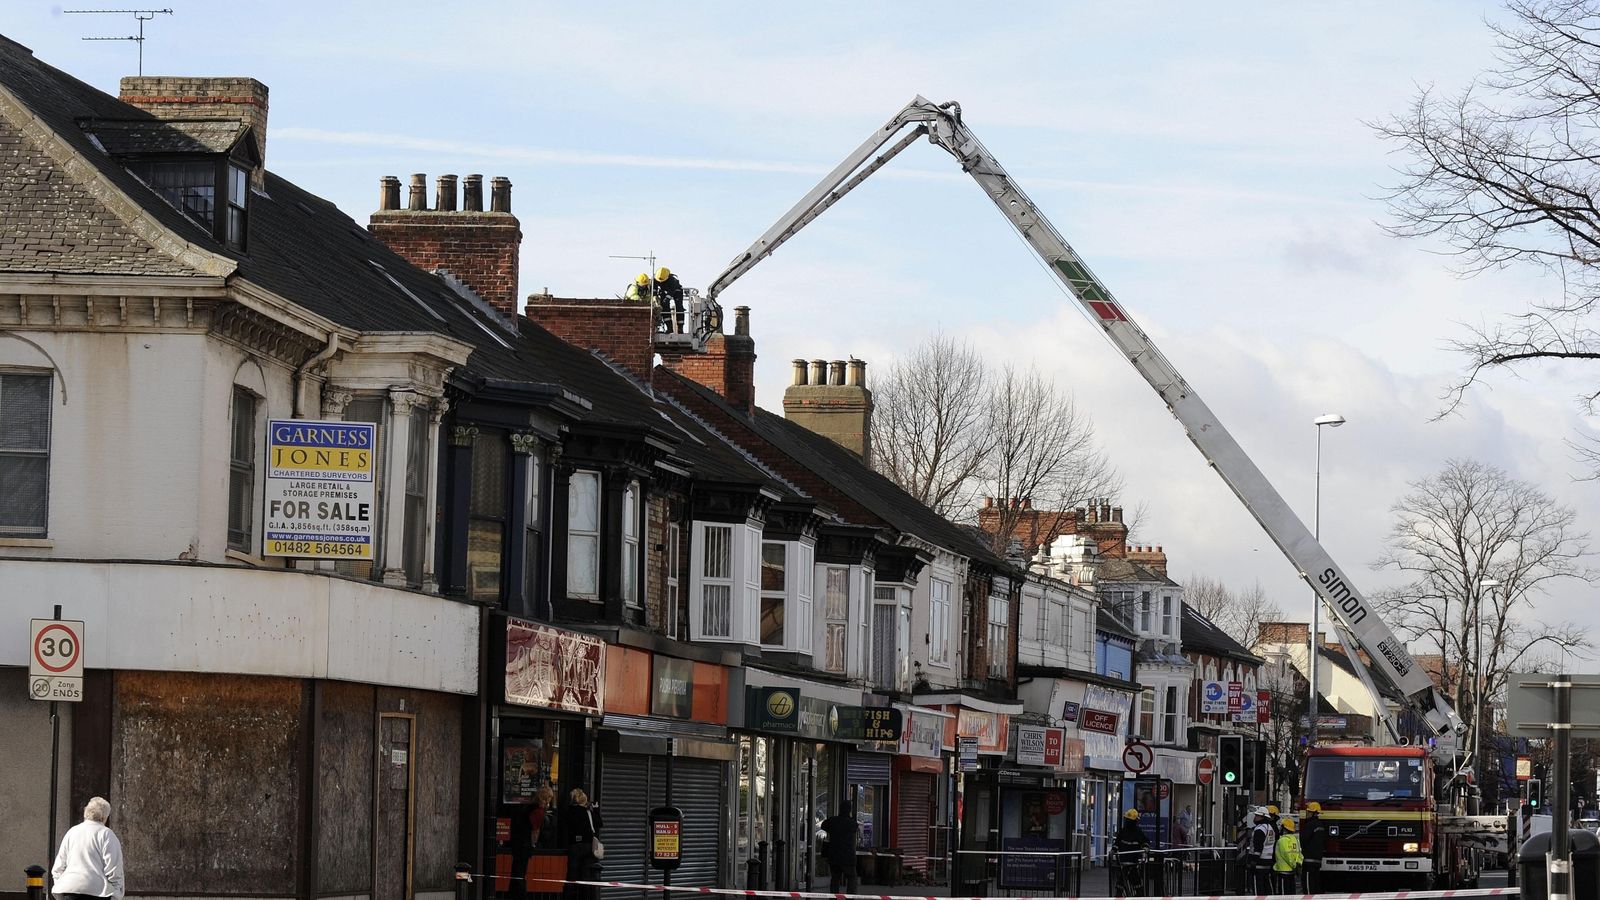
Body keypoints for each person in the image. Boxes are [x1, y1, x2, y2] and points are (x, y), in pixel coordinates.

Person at [52, 796, 124, 900]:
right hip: (97, 892)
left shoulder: (72, 832)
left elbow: (58, 867)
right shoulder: (106, 834)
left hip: (69, 891)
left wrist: (60, 886)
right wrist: (116, 894)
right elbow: (114, 869)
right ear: (104, 817)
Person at [560, 788, 603, 900]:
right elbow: (599, 823)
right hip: (588, 846)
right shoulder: (588, 812)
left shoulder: (568, 812)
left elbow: (564, 828)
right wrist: (596, 810)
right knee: (586, 877)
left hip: (574, 846)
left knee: (571, 877)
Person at [819, 803, 860, 894]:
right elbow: (855, 828)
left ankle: (834, 896)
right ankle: (850, 897)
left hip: (834, 855)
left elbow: (823, 825)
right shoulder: (852, 823)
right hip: (847, 856)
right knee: (852, 878)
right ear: (849, 811)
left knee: (835, 878)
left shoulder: (833, 821)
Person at [1113, 809, 1150, 895]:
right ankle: (1138, 894)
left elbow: (1145, 842)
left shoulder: (1136, 831)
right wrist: (1113, 850)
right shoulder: (1124, 831)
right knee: (1130, 881)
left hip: (1131, 862)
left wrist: (1145, 847)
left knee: (1125, 881)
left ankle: (1136, 894)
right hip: (1127, 862)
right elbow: (1117, 843)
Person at [1249, 807, 1276, 894]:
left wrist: (1253, 861)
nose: (1255, 817)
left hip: (1259, 862)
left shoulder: (1259, 829)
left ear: (1262, 817)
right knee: (1267, 885)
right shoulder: (1270, 828)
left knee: (1258, 886)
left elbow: (1258, 847)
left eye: (1257, 815)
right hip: (1268, 861)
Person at [1300, 802, 1327, 892]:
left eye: (1309, 812)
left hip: (1308, 860)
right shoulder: (1321, 825)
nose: (1307, 814)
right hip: (1317, 860)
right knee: (1315, 884)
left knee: (1308, 885)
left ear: (1314, 813)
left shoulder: (1310, 825)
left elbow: (1303, 840)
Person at [1273, 816, 1304, 893]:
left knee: (1284, 894)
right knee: (1291, 893)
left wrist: (1294, 865)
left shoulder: (1282, 840)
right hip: (1292, 872)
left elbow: (1286, 855)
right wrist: (1298, 865)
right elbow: (1299, 853)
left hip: (1283, 871)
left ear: (1284, 828)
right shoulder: (1295, 839)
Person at [654, 267, 685, 334]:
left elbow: (672, 290)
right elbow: (654, 288)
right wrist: (655, 296)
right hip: (664, 290)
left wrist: (667, 298)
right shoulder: (655, 278)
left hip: (676, 290)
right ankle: (669, 327)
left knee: (679, 305)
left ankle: (680, 327)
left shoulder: (673, 280)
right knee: (663, 305)